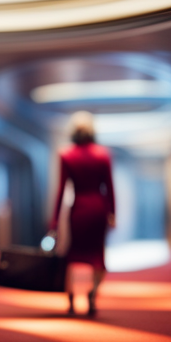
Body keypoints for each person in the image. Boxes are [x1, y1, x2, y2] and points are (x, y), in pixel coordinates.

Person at [50, 111, 115, 316]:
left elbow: (61, 189)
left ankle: (70, 299)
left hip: (78, 208)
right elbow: (110, 188)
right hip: (98, 207)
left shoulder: (66, 154)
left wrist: (53, 221)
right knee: (97, 255)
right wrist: (112, 213)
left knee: (72, 255)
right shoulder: (103, 154)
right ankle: (93, 295)